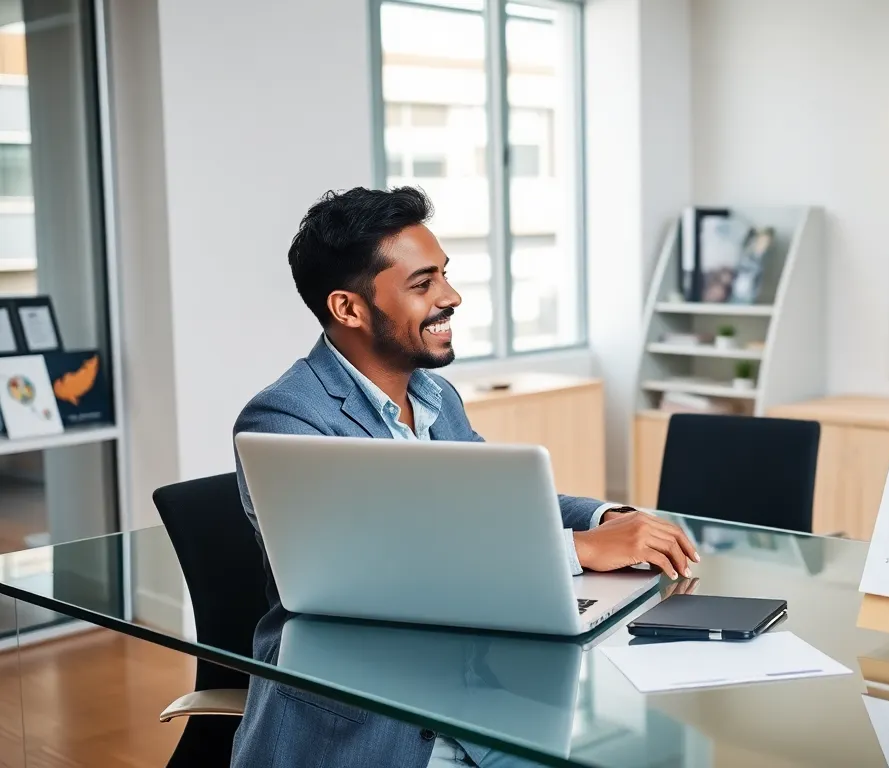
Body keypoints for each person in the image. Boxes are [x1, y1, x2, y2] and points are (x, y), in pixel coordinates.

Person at [230, 186, 700, 768]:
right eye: (423, 284)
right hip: (368, 726)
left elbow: (505, 503)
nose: (450, 297)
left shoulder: (434, 396)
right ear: (348, 308)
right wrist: (580, 549)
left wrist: (607, 518)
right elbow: (384, 566)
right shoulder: (287, 419)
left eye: (444, 276)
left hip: (474, 702)